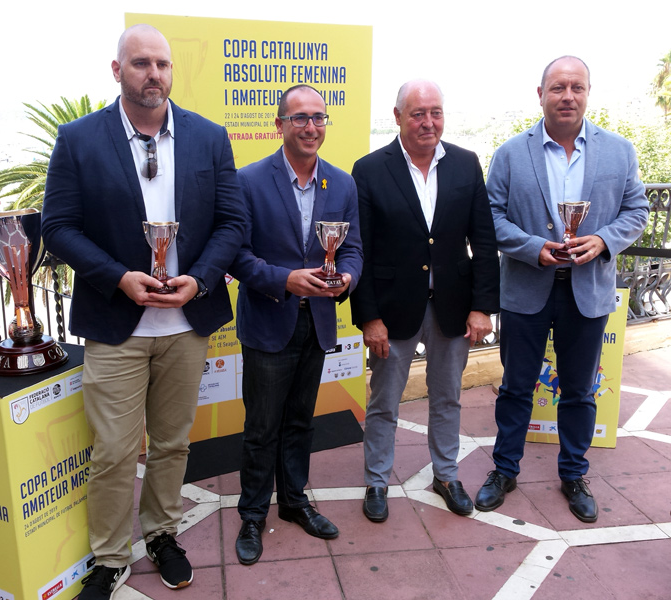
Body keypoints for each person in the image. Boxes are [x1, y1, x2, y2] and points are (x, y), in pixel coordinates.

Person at [42, 24, 245, 596]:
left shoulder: (209, 138)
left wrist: (200, 281)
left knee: (174, 441)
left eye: (162, 64)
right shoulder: (79, 139)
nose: (153, 74)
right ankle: (109, 556)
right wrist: (119, 278)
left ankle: (161, 533)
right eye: (140, 64)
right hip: (115, 321)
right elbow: (56, 228)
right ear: (117, 71)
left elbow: (233, 223)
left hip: (186, 321)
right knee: (110, 450)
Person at [477, 56, 648, 523]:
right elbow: (491, 219)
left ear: (588, 93)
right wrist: (534, 247)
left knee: (579, 392)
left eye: (576, 87)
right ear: (541, 94)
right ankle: (504, 470)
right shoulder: (512, 153)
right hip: (526, 289)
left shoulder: (620, 152)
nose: (567, 95)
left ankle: (573, 472)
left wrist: (603, 240)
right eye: (557, 87)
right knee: (515, 388)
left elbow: (637, 212)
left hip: (587, 291)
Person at [350, 80, 500, 520]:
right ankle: (377, 482)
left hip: (453, 305)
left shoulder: (466, 164)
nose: (428, 122)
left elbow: (484, 242)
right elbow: (361, 248)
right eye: (418, 113)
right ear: (397, 117)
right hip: (393, 309)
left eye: (435, 112)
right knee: (384, 401)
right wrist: (369, 317)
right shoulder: (370, 169)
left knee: (448, 397)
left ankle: (447, 475)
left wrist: (481, 306)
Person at [229, 84, 363, 565]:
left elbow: (352, 249)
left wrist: (346, 276)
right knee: (262, 426)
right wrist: (285, 280)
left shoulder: (342, 184)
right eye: (300, 118)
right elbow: (238, 256)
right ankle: (251, 514)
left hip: (320, 321)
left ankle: (292, 502)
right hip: (270, 319)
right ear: (280, 125)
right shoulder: (248, 181)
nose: (311, 127)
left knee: (300, 422)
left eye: (319, 118)